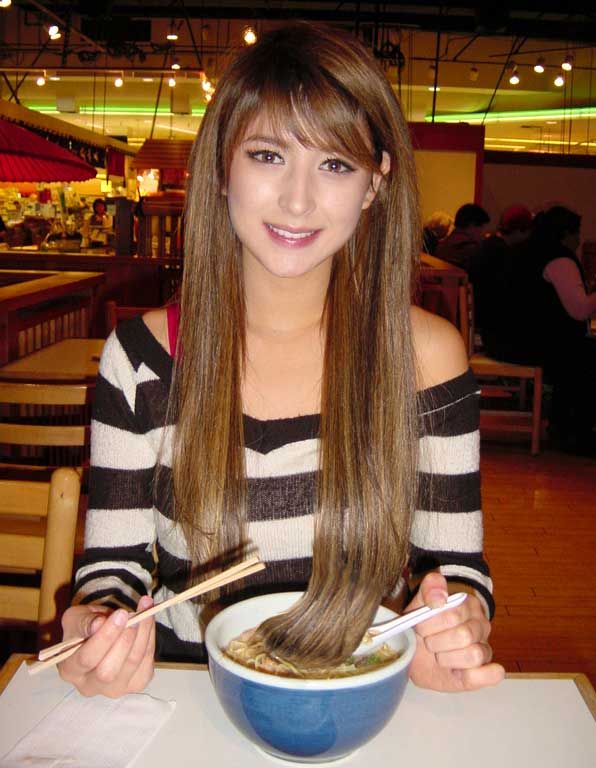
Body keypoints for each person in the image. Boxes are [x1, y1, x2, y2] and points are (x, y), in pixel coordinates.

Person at [58, 23, 504, 698]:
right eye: (268, 155)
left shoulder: (426, 357)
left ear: (375, 183)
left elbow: (456, 570)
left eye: (335, 165)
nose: (298, 200)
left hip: (360, 693)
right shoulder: (142, 361)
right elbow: (112, 571)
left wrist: (454, 623)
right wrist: (98, 626)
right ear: (221, 166)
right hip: (187, 693)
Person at [524, 206, 596, 454]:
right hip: (540, 342)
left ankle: (564, 426)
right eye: (577, 233)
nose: (579, 240)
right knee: (586, 355)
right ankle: (577, 433)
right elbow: (580, 309)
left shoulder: (532, 250)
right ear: (566, 234)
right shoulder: (560, 259)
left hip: (523, 334)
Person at [475, 204, 533, 352]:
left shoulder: (487, 245)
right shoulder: (505, 254)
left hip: (483, 321)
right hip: (494, 328)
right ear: (520, 230)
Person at [435, 203, 490, 272]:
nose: (483, 233)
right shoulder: (473, 251)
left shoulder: (440, 247)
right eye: (482, 228)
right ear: (472, 225)